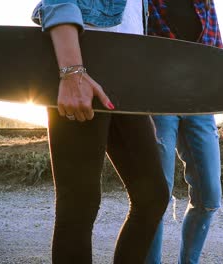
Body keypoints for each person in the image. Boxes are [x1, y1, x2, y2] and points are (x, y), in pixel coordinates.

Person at [31, 1, 169, 263]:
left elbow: (131, 30)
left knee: (152, 196)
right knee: (78, 204)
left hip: (125, 82)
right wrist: (72, 71)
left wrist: (143, 106)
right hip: (84, 62)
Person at [145, 1, 223, 263]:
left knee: (210, 196)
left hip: (200, 103)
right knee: (155, 196)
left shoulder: (203, 2)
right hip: (158, 101)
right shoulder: (145, 2)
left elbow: (217, 52)